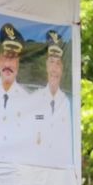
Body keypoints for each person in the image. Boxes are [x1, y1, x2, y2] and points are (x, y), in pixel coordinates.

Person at [31, 30, 73, 167]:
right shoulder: (36, 99)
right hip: (37, 165)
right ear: (46, 66)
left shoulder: (66, 103)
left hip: (58, 168)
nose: (54, 69)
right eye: (51, 62)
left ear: (62, 68)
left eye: (58, 64)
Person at [0, 23, 33, 162]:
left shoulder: (27, 100)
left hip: (16, 170)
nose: (8, 65)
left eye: (13, 58)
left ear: (18, 63)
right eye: (5, 56)